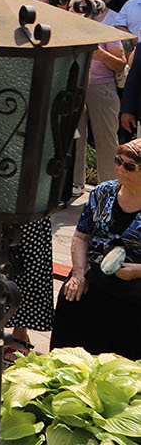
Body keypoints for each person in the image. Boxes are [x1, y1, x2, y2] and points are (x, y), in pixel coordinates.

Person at [51, 138, 141, 359]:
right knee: (72, 297)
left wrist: (138, 270)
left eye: (129, 166)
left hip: (134, 282)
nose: (120, 169)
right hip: (95, 272)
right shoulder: (103, 192)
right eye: (118, 161)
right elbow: (81, 236)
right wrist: (79, 274)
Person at [80, 0, 129, 184]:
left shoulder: (106, 32)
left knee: (106, 140)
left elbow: (120, 64)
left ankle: (109, 186)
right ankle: (75, 185)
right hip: (74, 88)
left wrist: (98, 52)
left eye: (84, 8)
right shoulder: (66, 29)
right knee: (75, 140)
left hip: (102, 88)